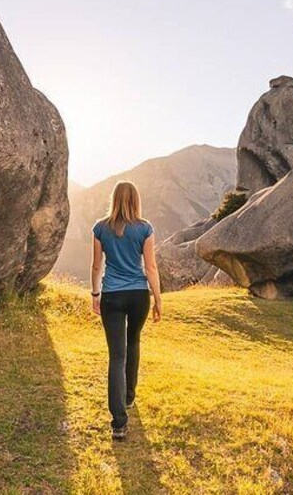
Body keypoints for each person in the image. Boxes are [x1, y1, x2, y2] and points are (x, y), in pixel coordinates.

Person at [90, 181, 162, 441]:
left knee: (116, 356)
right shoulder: (145, 228)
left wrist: (95, 294)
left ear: (114, 200)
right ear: (135, 200)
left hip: (111, 296)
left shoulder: (100, 228)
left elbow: (97, 267)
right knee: (133, 343)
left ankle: (119, 423)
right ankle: (129, 397)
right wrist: (158, 299)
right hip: (138, 295)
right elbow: (151, 268)